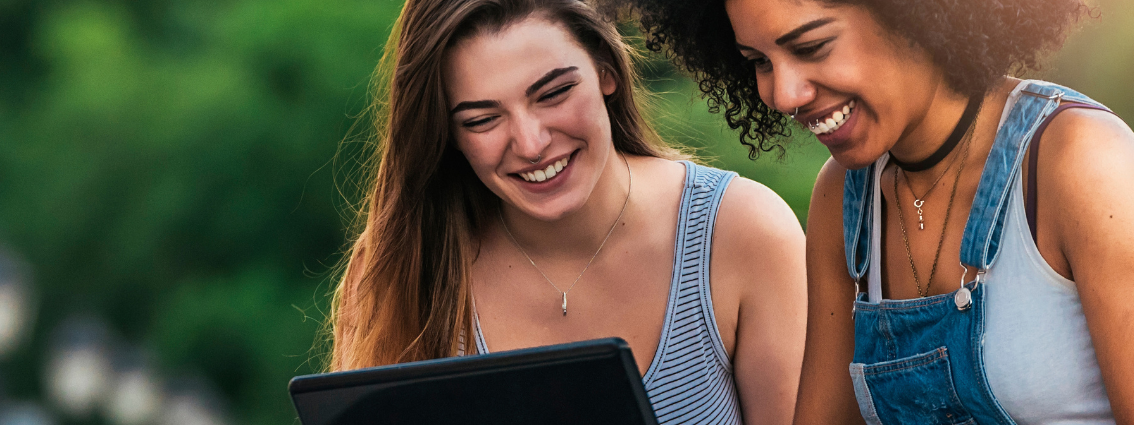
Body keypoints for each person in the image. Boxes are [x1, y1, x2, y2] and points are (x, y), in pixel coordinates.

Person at [623, 0, 1134, 423]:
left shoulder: (1078, 163)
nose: (784, 93)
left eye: (811, 47)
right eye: (758, 61)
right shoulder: (844, 197)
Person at [326, 0, 807, 423]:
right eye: (482, 120)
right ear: (446, 134)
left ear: (605, 71)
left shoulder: (743, 231)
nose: (531, 144)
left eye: (553, 93)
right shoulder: (401, 267)